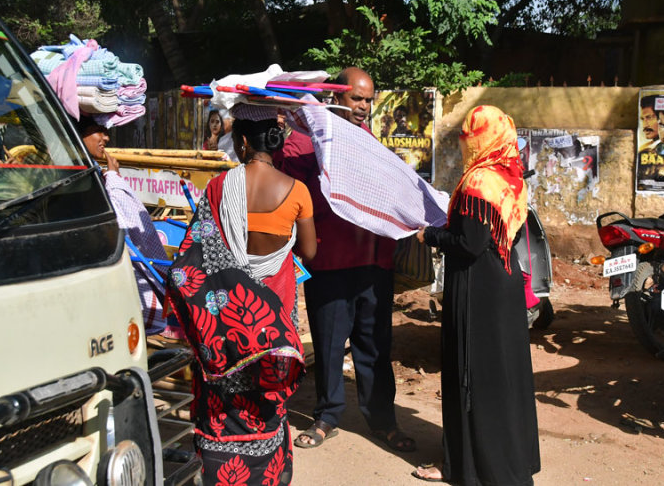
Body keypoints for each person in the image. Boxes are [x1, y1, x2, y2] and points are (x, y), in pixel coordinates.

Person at [166, 104, 316, 486]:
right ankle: (269, 471)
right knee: (269, 393)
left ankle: (221, 469)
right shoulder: (297, 191)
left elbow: (194, 249)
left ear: (244, 141)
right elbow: (310, 253)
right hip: (274, 312)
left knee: (222, 393)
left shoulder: (219, 187)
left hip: (223, 316)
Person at [280, 66, 415, 452]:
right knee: (327, 344)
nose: (364, 107)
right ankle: (327, 417)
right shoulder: (307, 142)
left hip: (374, 263)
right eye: (357, 98)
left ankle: (383, 420)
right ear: (336, 97)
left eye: (369, 100)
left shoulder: (372, 143)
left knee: (375, 346)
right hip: (329, 262)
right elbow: (290, 186)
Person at [413, 105, 540, 485]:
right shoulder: (511, 178)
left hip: (477, 290)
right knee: (502, 376)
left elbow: (469, 244)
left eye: (469, 136)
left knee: (469, 374)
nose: (466, 143)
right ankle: (508, 463)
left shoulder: (478, 182)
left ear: (482, 139)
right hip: (504, 284)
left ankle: (465, 467)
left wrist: (429, 234)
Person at [75, 116, 169, 335]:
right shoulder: (81, 175)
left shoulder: (94, 173)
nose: (106, 137)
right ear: (80, 134)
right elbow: (122, 222)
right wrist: (115, 180)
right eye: (98, 131)